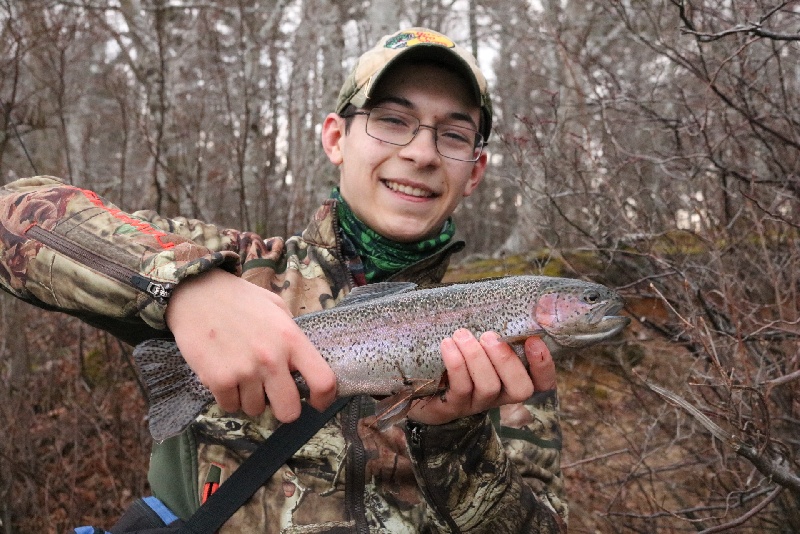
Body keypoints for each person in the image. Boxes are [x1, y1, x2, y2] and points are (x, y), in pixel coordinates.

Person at [0, 28, 567, 532]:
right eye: (393, 121)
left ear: (476, 170)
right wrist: (187, 285)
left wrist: (457, 441)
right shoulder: (239, 267)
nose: (421, 152)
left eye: (453, 135)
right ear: (335, 138)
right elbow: (13, 210)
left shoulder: (511, 354)